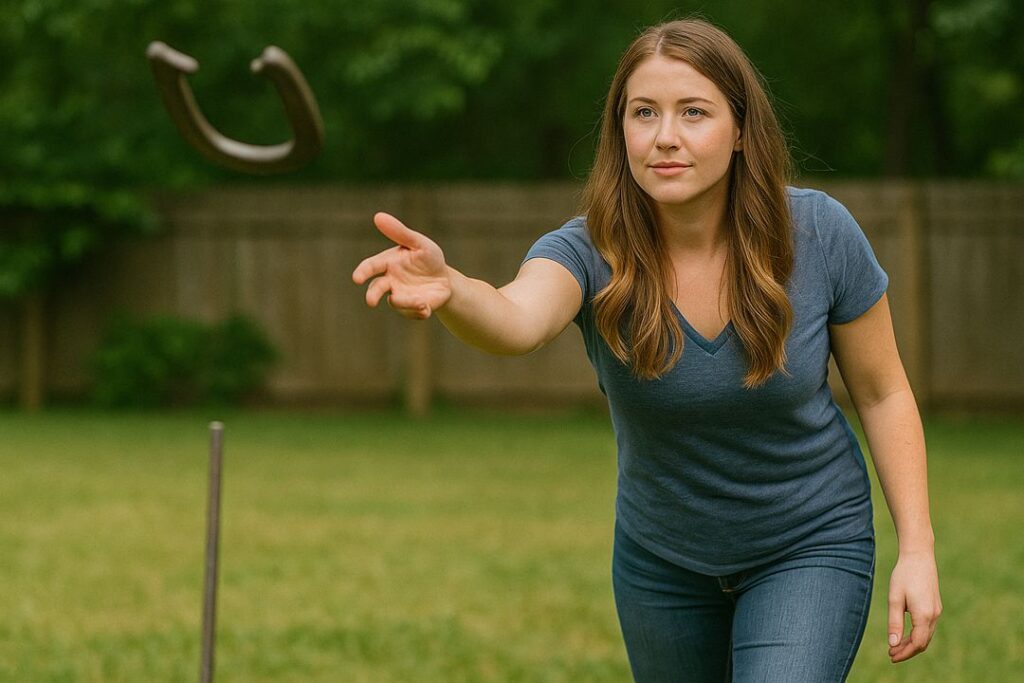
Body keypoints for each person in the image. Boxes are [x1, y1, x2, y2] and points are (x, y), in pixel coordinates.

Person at [352, 18, 941, 682]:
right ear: (621, 130)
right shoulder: (586, 251)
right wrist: (454, 288)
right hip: (661, 562)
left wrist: (916, 547)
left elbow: (884, 391)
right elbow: (518, 319)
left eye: (694, 112)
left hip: (807, 544)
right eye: (644, 113)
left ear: (742, 129)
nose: (666, 136)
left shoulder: (821, 235)